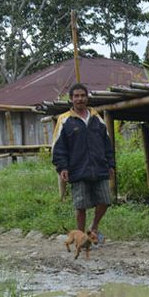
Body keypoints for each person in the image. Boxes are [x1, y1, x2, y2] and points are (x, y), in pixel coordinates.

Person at [52, 83, 115, 239]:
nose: (80, 99)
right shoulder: (64, 120)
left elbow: (107, 144)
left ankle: (93, 228)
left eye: (82, 95)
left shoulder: (97, 119)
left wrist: (111, 164)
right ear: (71, 99)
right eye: (76, 96)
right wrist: (62, 167)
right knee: (80, 206)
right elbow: (58, 147)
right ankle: (81, 237)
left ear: (87, 98)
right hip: (77, 169)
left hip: (99, 167)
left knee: (106, 200)